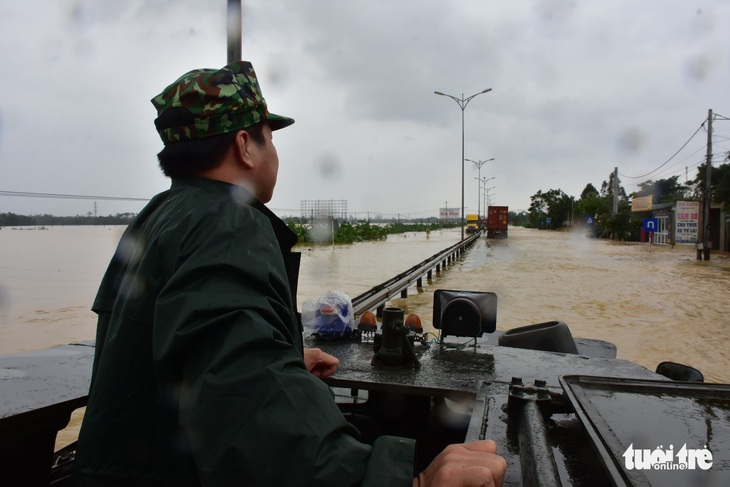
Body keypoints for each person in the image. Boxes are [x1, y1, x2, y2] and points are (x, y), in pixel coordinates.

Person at [74, 60, 506, 486]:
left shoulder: (158, 219)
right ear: (245, 146)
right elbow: (250, 413)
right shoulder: (227, 222)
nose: (275, 154)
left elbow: (174, 354)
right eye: (270, 138)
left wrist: (276, 357)